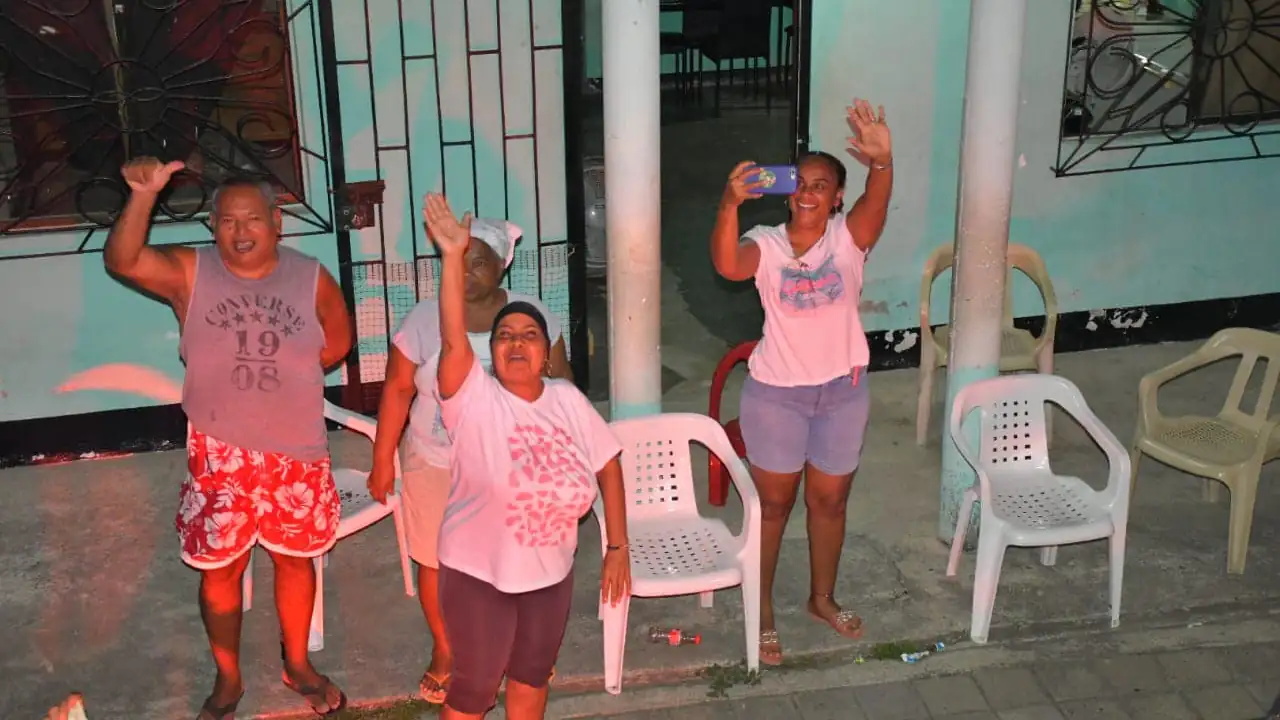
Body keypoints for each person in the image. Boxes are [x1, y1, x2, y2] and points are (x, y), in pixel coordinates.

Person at [103, 158, 353, 718]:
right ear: (213, 225)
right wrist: (143, 195)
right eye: (228, 220)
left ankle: (298, 665)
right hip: (220, 453)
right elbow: (122, 260)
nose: (241, 231)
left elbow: (337, 341)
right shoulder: (190, 272)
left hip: (296, 450)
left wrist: (283, 383)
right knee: (221, 573)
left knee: (295, 562)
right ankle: (229, 679)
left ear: (277, 221)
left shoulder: (310, 275)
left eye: (253, 218)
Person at [420, 192, 630, 719]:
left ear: (545, 350)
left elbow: (607, 460)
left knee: (533, 678)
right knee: (473, 691)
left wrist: (617, 546)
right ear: (489, 351)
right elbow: (450, 343)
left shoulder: (566, 399)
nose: (517, 343)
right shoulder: (473, 397)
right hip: (478, 574)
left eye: (530, 335)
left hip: (551, 573)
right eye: (505, 336)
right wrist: (451, 258)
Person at [709, 98, 894, 665]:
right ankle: (761, 610)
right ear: (789, 191)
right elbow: (725, 265)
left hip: (842, 392)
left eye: (822, 185)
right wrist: (730, 203)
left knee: (830, 501)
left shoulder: (847, 239)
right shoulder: (765, 244)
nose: (810, 193)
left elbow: (876, 203)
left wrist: (882, 164)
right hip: (777, 396)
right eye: (802, 183)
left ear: (837, 196)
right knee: (774, 504)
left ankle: (821, 598)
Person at [367, 208, 572, 703]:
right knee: (438, 563)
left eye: (478, 262)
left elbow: (561, 388)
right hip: (436, 462)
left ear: (503, 266)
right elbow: (397, 390)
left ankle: (526, 648)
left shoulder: (531, 313)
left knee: (519, 559)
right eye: (457, 260)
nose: (466, 272)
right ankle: (446, 650)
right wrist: (381, 460)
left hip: (515, 468)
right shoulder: (422, 318)